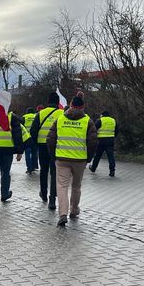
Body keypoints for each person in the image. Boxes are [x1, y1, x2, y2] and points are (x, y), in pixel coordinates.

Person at [47, 93, 97, 227]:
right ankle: (74, 210)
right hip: (80, 160)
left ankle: (63, 214)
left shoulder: (61, 119)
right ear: (83, 107)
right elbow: (93, 142)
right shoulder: (88, 121)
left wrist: (54, 156)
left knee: (62, 186)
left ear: (70, 105)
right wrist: (89, 158)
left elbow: (50, 139)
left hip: (62, 159)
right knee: (76, 186)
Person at [30, 92, 64, 210]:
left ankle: (43, 194)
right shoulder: (63, 114)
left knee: (44, 170)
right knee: (54, 172)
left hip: (43, 146)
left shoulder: (40, 113)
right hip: (56, 147)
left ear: (48, 101)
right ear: (58, 101)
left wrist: (37, 143)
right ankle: (52, 200)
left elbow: (33, 131)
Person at [90, 110, 117, 177]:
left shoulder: (100, 120)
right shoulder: (113, 120)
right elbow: (117, 130)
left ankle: (93, 168)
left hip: (101, 141)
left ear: (102, 115)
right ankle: (112, 171)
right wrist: (112, 136)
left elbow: (94, 129)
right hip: (110, 141)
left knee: (97, 156)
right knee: (111, 157)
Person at [21, 107, 38, 174]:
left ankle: (29, 168)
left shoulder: (24, 117)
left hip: (27, 138)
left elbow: (21, 127)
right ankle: (33, 166)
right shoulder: (36, 116)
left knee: (27, 154)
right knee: (34, 153)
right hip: (35, 138)